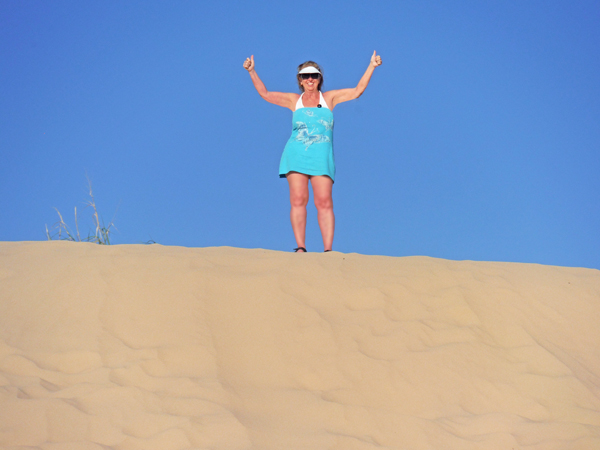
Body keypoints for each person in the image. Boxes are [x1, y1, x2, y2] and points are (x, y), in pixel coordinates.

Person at [243, 51, 382, 252]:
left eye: (314, 75)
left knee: (324, 201)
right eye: (305, 76)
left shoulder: (329, 98)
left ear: (319, 79)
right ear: (300, 80)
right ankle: (300, 247)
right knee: (298, 199)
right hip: (297, 154)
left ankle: (328, 250)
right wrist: (252, 71)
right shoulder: (294, 100)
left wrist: (371, 66)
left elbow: (357, 90)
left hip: (321, 156)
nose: (310, 79)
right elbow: (265, 94)